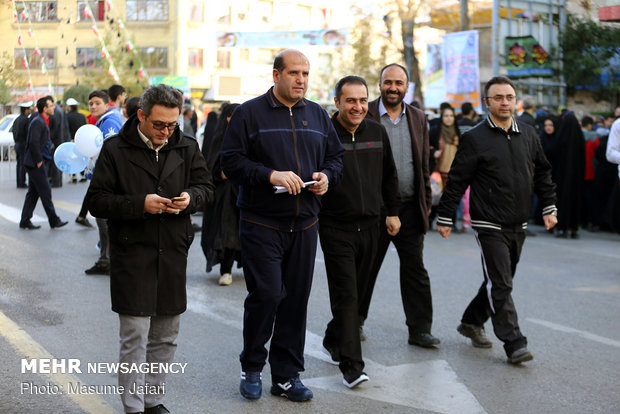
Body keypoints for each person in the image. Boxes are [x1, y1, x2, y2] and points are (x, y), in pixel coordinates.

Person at [220, 49, 344, 402]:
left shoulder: (318, 115)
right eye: (294, 73)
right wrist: (269, 174)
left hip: (305, 223)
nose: (301, 80)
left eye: (305, 73)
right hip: (261, 221)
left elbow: (336, 158)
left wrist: (326, 177)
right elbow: (229, 161)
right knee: (268, 294)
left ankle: (287, 376)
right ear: (276, 76)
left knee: (296, 301)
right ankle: (252, 366)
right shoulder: (249, 113)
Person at [86, 84, 213, 414]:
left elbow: (206, 187)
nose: (166, 132)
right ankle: (133, 407)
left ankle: (154, 401)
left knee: (166, 336)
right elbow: (97, 201)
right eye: (159, 124)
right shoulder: (115, 149)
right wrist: (140, 203)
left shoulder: (185, 145)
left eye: (172, 125)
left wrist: (190, 199)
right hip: (133, 255)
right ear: (141, 116)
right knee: (135, 339)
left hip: (172, 252)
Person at [436, 76, 557, 365]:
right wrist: (445, 216)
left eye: (509, 97)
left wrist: (549, 206)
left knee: (499, 280)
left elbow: (542, 172)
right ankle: (514, 342)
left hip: (519, 221)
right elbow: (457, 180)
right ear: (487, 102)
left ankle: (471, 321)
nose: (505, 102)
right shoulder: (475, 138)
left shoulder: (528, 134)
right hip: (488, 223)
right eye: (498, 97)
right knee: (501, 281)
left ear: (516, 101)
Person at [319, 75, 400, 389]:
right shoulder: (324, 134)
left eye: (363, 100)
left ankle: (331, 336)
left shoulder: (377, 132)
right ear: (337, 102)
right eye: (350, 100)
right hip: (335, 228)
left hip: (372, 227)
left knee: (359, 293)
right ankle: (352, 366)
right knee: (347, 294)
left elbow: (389, 175)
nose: (357, 107)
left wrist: (391, 212)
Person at [360, 63, 439, 348]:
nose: (393, 87)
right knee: (365, 269)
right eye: (388, 82)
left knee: (415, 271)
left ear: (406, 86)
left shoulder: (418, 118)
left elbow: (423, 164)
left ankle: (420, 330)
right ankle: (354, 322)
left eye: (399, 83)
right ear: (379, 84)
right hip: (372, 209)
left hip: (408, 208)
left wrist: (426, 203)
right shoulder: (364, 112)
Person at [82, 90, 123, 274]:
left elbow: (109, 152)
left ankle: (109, 259)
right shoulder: (103, 121)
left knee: (105, 221)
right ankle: (105, 259)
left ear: (107, 104)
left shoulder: (109, 122)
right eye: (91, 103)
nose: (93, 106)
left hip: (106, 181)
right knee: (102, 220)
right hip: (102, 178)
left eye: (97, 103)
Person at [201, 103, 241, 286]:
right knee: (226, 233)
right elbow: (213, 168)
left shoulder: (248, 136)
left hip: (244, 193)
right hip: (224, 195)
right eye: (232, 115)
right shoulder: (220, 138)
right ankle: (226, 270)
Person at [19, 96, 68, 230]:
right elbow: (33, 143)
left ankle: (25, 220)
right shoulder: (38, 122)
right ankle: (54, 220)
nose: (54, 108)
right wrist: (39, 161)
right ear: (45, 109)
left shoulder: (43, 121)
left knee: (33, 193)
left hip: (37, 162)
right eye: (51, 106)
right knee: (45, 191)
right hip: (35, 163)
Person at [554, 113, 585, 239]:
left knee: (561, 200)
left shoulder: (561, 136)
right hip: (576, 178)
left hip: (561, 177)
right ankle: (573, 228)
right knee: (575, 201)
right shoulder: (580, 137)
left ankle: (562, 227)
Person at [66, 98, 88, 185]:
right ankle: (83, 175)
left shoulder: (67, 116)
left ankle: (73, 176)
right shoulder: (82, 116)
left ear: (70, 107)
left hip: (71, 140)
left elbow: (66, 128)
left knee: (71, 158)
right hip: (81, 140)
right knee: (81, 158)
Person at [13, 101, 32, 188]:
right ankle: (22, 182)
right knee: (23, 164)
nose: (30, 110)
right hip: (23, 144)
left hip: (17, 143)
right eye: (29, 109)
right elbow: (27, 133)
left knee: (19, 163)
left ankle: (19, 182)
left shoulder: (17, 120)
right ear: (26, 110)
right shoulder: (26, 120)